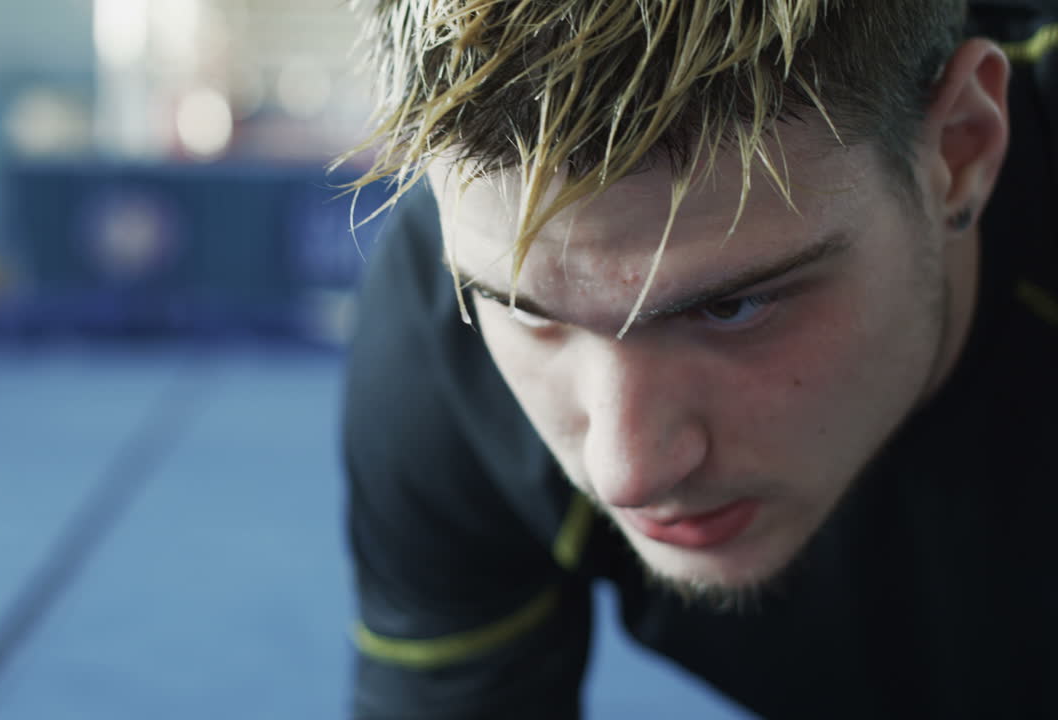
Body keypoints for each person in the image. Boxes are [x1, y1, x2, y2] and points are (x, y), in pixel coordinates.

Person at [339, 0, 1058, 717]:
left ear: (960, 150)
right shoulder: (444, 313)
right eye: (527, 311)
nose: (627, 473)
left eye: (732, 307)